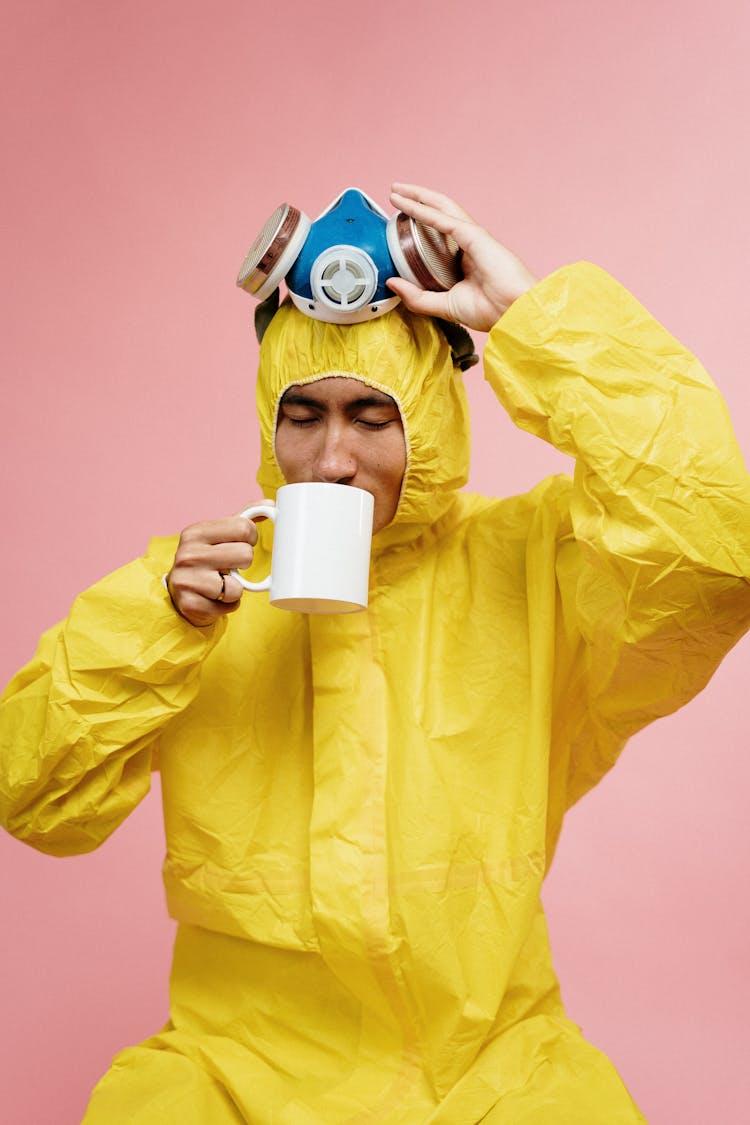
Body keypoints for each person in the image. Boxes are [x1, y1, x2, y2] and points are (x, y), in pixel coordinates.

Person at [1, 183, 749, 1124]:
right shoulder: (194, 589)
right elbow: (31, 798)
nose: (333, 458)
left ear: (431, 416)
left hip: (493, 1068)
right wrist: (160, 633)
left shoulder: (534, 567)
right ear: (269, 423)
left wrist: (533, 323)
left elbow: (711, 554)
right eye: (303, 414)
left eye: (374, 415)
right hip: (236, 1073)